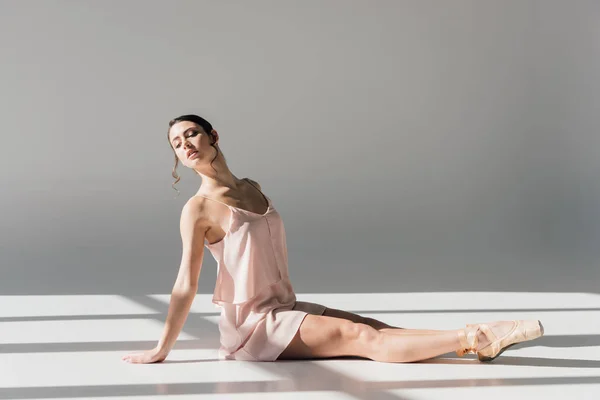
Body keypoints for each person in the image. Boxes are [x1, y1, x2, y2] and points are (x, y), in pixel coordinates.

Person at [122, 114, 544, 364]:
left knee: (370, 325)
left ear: (214, 137)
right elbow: (184, 283)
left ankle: (461, 343)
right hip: (253, 327)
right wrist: (162, 348)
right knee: (361, 340)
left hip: (283, 305)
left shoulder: (252, 186)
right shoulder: (197, 209)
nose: (185, 145)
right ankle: (479, 337)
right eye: (176, 144)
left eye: (191, 134)